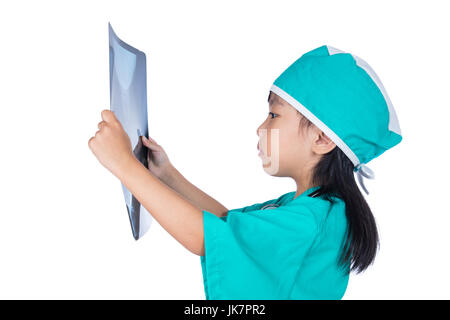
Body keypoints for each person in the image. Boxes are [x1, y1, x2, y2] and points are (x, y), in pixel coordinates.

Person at [88, 44, 403, 300]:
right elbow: (228, 223)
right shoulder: (312, 208)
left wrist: (123, 164)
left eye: (273, 114)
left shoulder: (309, 220)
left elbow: (205, 237)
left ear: (321, 139)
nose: (260, 128)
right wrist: (166, 174)